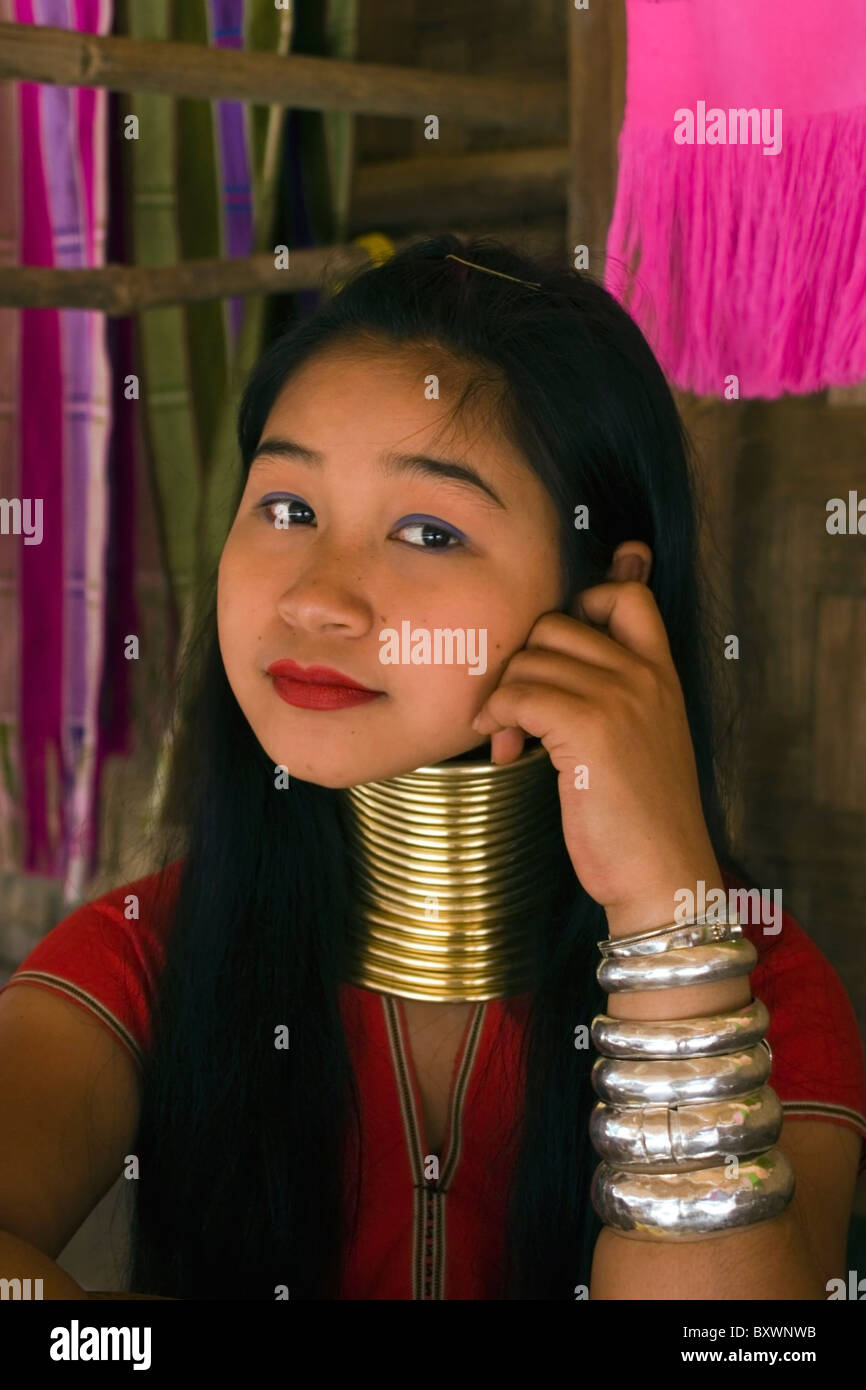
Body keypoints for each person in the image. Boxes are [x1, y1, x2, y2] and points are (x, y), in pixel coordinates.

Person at [1, 234, 864, 1301]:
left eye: (425, 528)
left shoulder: (763, 990)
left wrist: (661, 915)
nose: (316, 595)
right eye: (287, 508)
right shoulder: (146, 958)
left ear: (603, 592)